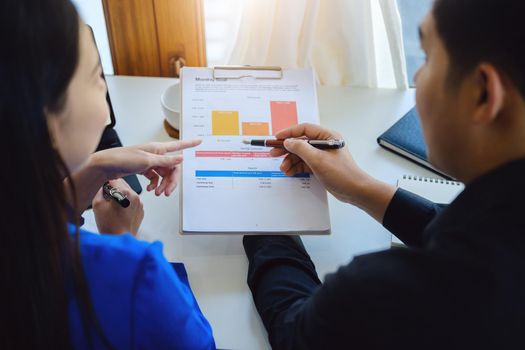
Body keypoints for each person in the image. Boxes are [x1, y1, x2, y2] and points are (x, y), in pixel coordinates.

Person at [243, 0, 525, 348]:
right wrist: (360, 187)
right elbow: (476, 234)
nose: (418, 78)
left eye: (427, 59)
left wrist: (267, 224)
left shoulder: (390, 294)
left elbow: (295, 331)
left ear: (482, 94)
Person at [0, 0, 215, 349]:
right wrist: (122, 239)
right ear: (45, 120)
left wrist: (88, 173)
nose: (103, 85)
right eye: (96, 74)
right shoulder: (132, 274)